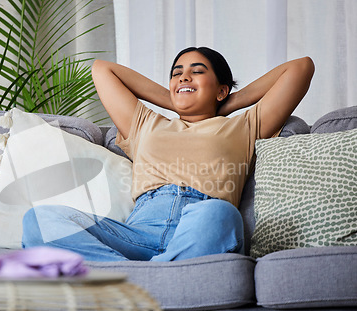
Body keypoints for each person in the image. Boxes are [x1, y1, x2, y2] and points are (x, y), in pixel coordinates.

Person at [22, 46, 315, 261]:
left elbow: (301, 68)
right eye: (177, 74)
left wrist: (230, 102)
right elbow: (102, 69)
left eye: (197, 72)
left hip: (199, 229)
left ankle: (137, 278)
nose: (184, 77)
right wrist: (174, 99)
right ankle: (144, 275)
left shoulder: (243, 126)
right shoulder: (145, 123)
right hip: (137, 234)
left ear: (221, 89)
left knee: (221, 214)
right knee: (39, 219)